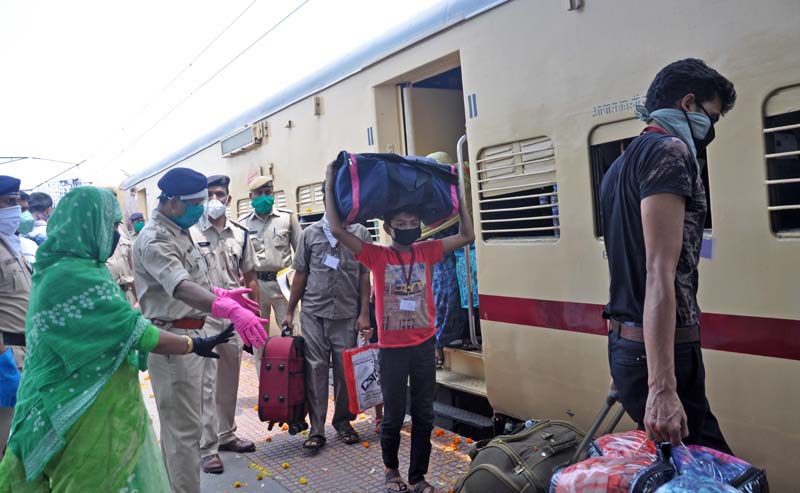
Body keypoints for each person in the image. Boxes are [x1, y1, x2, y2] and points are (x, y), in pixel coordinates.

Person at [0, 186, 237, 492]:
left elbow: (121, 320)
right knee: (92, 474)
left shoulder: (67, 267)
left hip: (93, 394)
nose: (115, 233)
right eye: (110, 225)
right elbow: (133, 331)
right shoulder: (75, 276)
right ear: (87, 225)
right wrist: (193, 344)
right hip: (84, 403)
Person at [600, 58, 736, 452]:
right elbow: (658, 272)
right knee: (713, 470)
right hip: (664, 351)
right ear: (688, 104)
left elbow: (623, 264)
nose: (710, 130)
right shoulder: (670, 152)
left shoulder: (620, 165)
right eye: (711, 116)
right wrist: (661, 385)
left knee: (684, 467)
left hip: (633, 346)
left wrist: (626, 360)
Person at [324, 161, 475, 493]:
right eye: (400, 224)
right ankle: (391, 471)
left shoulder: (428, 250)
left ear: (419, 227)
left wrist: (459, 193)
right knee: (393, 415)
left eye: (412, 223)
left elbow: (467, 235)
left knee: (424, 416)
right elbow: (337, 230)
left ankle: (418, 476)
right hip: (392, 350)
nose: (407, 227)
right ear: (389, 228)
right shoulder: (376, 256)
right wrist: (328, 181)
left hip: (424, 345)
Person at [133, 167, 269, 493]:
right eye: (195, 202)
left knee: (189, 427)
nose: (201, 207)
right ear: (173, 202)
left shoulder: (181, 232)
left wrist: (221, 294)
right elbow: (179, 287)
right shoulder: (154, 239)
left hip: (195, 334)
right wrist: (228, 308)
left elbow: (194, 280)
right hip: (174, 341)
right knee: (183, 433)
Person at [282, 191, 372, 451]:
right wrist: (289, 311)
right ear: (324, 201)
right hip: (313, 312)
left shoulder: (360, 233)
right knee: (316, 368)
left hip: (346, 313)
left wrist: (364, 312)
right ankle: (317, 429)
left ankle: (343, 422)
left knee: (345, 372)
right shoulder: (310, 235)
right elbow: (300, 274)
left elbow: (364, 275)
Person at [190, 175, 260, 474]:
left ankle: (226, 434)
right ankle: (207, 448)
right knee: (206, 383)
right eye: (209, 195)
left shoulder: (241, 234)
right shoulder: (190, 234)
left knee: (229, 378)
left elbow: (250, 275)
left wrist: (251, 315)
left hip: (233, 318)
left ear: (229, 199)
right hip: (203, 315)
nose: (214, 200)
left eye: (220, 194)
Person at [240, 175, 301, 375]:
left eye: (268, 192)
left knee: (291, 332)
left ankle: (293, 380)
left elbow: (301, 253)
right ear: (251, 197)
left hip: (283, 282)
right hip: (256, 285)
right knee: (258, 338)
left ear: (273, 193)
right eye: (259, 194)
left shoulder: (287, 217)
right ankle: (264, 383)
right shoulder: (243, 224)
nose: (264, 197)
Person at [0, 176, 30, 460]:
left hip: (22, 354)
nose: (16, 210)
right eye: (9, 203)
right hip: (7, 357)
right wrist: (3, 363)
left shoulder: (11, 244)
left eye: (17, 203)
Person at [106, 220, 137, 305]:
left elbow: (130, 264)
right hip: (110, 295)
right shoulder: (97, 228)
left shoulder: (122, 228)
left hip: (128, 292)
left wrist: (137, 296)